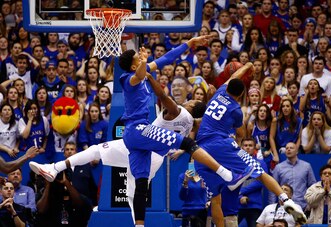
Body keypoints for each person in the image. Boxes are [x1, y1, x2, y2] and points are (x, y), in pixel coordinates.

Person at [29, 37, 250, 226]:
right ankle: (225, 173)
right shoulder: (129, 79)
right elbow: (145, 75)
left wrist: (188, 44)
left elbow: (165, 59)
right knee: (186, 145)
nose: (143, 58)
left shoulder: (145, 77)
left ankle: (56, 168)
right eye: (138, 58)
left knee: (138, 188)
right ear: (135, 65)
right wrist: (145, 63)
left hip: (141, 142)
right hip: (138, 131)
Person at [194, 67, 306, 226]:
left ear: (227, 87)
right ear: (241, 94)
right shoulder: (236, 110)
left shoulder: (218, 93)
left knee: (215, 200)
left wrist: (247, 66)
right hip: (220, 145)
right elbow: (240, 131)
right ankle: (286, 200)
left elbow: (234, 75)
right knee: (259, 172)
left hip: (201, 152)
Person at [269, 142, 316, 210]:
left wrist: (310, 204)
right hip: (284, 206)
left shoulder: (306, 166)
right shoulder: (278, 168)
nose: (288, 149)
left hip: (303, 206)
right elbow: (273, 188)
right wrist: (272, 207)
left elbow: (312, 186)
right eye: (287, 148)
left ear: (297, 151)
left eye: (291, 148)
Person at [178, 160, 207, 227]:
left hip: (202, 211)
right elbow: (182, 197)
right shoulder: (182, 176)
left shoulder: (204, 176)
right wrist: (186, 181)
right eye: (192, 162)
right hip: (187, 212)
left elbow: (211, 193)